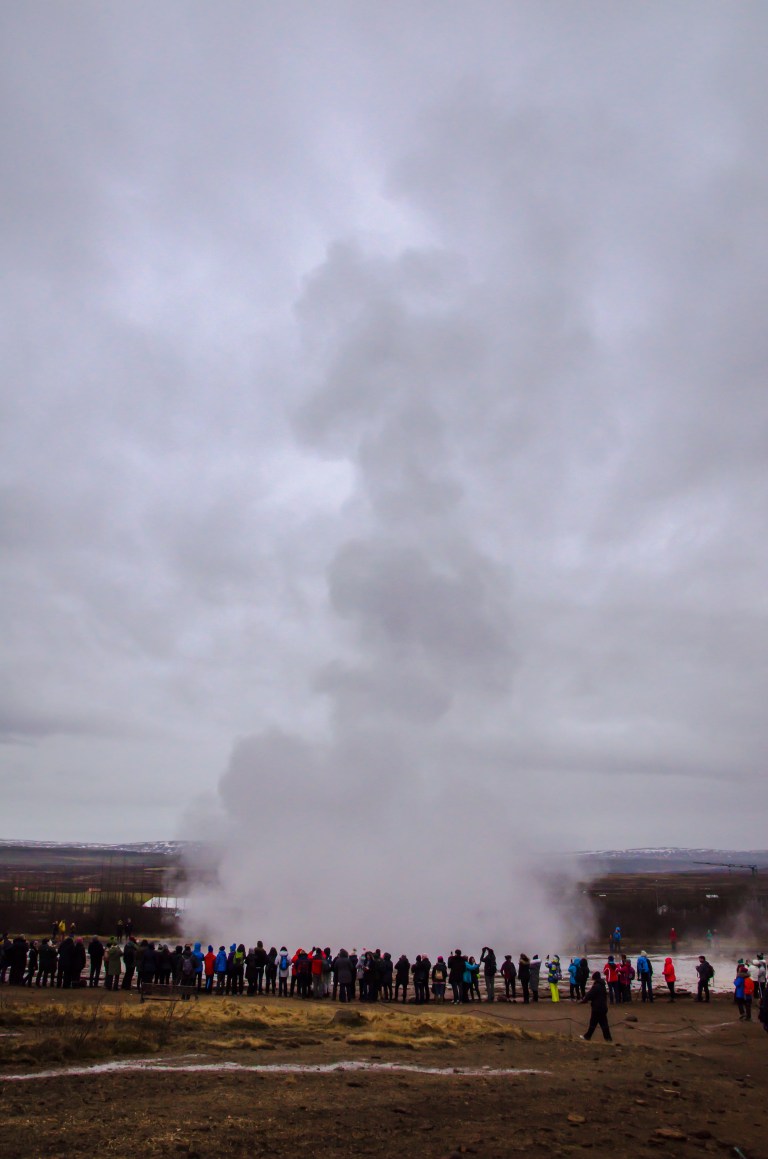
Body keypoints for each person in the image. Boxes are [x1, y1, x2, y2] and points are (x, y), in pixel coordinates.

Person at [581, 971, 612, 1041]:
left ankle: (587, 1037)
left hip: (597, 1008)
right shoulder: (602, 985)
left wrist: (584, 1001)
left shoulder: (596, 986)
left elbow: (590, 995)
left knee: (594, 1023)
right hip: (603, 1007)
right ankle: (608, 1038)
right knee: (603, 1024)